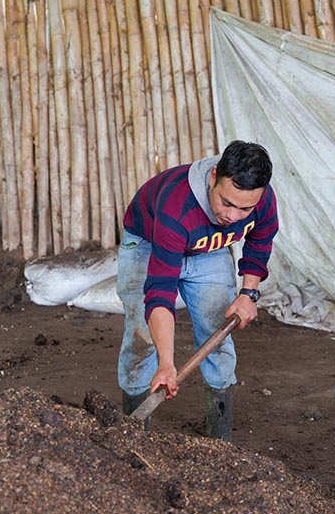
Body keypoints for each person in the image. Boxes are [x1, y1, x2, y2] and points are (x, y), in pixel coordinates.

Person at [116, 140, 278, 441]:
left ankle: (219, 443)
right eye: (226, 203)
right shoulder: (176, 207)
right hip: (148, 242)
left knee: (218, 332)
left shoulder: (263, 200)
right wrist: (167, 363)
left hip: (208, 249)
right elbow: (160, 292)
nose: (232, 216)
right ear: (213, 176)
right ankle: (133, 436)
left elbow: (260, 240)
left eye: (245, 208)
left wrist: (248, 294)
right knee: (142, 337)